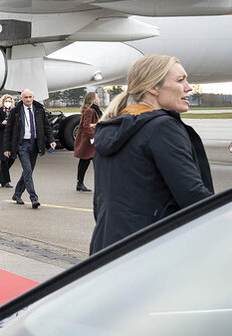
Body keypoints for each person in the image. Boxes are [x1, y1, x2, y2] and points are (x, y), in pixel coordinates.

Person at [89, 55, 213, 254]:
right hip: (151, 251)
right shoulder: (162, 128)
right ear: (153, 88)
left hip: (107, 248)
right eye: (180, 80)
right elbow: (192, 194)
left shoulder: (111, 128)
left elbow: (101, 203)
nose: (189, 87)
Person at [3, 88, 56, 208]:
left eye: (30, 97)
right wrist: (7, 148)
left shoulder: (39, 109)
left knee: (28, 172)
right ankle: (34, 198)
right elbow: (8, 131)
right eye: (25, 97)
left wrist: (51, 140)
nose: (28, 99)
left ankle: (17, 194)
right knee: (27, 171)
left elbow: (46, 127)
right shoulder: (15, 111)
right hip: (22, 145)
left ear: (33, 97)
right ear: (21, 98)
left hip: (35, 144)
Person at [72, 91, 102, 192]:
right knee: (91, 162)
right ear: (93, 99)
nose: (99, 99)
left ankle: (80, 183)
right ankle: (81, 184)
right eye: (97, 97)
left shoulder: (94, 110)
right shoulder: (90, 111)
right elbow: (86, 126)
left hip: (89, 141)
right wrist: (94, 138)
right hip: (88, 141)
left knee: (85, 162)